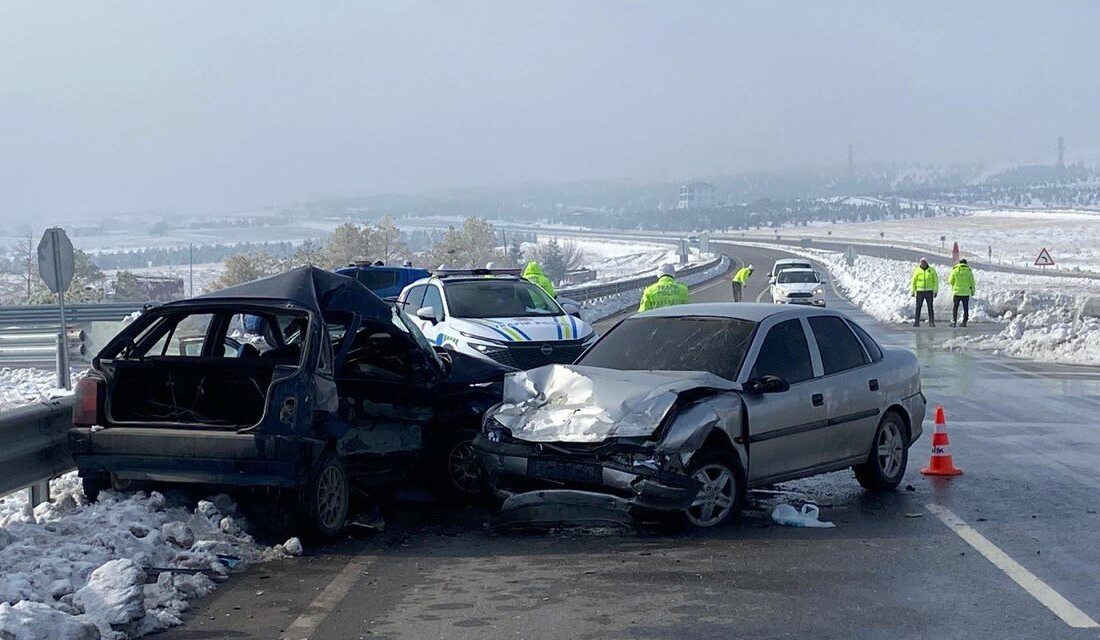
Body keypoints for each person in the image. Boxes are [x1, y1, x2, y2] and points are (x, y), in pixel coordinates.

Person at [910, 258, 939, 327]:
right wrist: (913, 291)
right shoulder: (917, 270)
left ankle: (931, 322)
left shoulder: (931, 270)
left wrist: (935, 291)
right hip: (920, 291)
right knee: (918, 307)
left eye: (924, 262)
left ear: (926, 263)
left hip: (929, 291)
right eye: (921, 263)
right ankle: (916, 322)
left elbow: (935, 281)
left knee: (930, 307)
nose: (922, 264)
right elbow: (913, 281)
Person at [948, 258, 976, 327]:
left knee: (955, 307)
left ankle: (954, 321)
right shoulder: (969, 271)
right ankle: (964, 322)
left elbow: (950, 281)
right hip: (966, 293)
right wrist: (972, 292)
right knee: (965, 308)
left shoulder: (954, 270)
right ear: (966, 264)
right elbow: (972, 283)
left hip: (957, 292)